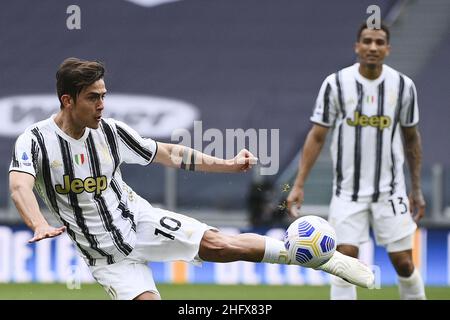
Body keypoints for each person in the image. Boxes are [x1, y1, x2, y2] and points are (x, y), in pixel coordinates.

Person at [9, 57, 373, 300]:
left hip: (140, 222)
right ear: (67, 101)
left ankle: (322, 260)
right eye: (93, 98)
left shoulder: (110, 131)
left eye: (104, 96)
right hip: (105, 257)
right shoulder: (36, 140)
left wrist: (228, 164)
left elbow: (170, 153)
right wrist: (38, 222)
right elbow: (19, 185)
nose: (102, 105)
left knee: (219, 246)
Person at [287, 22, 426, 300]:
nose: (372, 47)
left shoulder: (403, 86)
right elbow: (317, 136)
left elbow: (412, 139)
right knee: (344, 261)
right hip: (347, 193)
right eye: (367, 41)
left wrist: (417, 189)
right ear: (357, 46)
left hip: (390, 192)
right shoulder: (336, 84)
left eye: (378, 42)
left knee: (404, 262)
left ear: (387, 48)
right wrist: (299, 183)